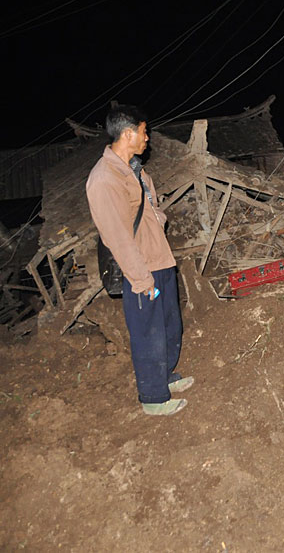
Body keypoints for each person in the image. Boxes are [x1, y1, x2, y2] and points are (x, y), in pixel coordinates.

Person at [86, 106, 193, 416]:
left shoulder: (136, 170)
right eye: (144, 132)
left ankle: (165, 377)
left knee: (168, 325)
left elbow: (150, 207)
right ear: (128, 133)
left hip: (159, 260)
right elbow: (117, 236)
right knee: (148, 333)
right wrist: (141, 279)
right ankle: (153, 398)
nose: (148, 138)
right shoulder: (103, 179)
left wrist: (158, 219)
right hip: (140, 270)